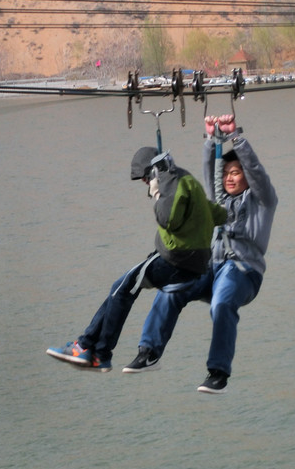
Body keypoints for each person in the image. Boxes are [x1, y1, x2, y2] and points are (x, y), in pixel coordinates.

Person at [124, 114, 277, 393]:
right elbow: (210, 173)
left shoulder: (262, 200)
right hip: (210, 267)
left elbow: (256, 170)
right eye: (227, 173)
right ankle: (149, 351)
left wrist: (235, 138)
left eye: (236, 173)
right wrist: (210, 139)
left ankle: (218, 372)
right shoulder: (218, 199)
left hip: (242, 270)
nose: (230, 178)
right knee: (171, 289)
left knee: (221, 303)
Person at [46, 146, 227, 371]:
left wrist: (161, 192)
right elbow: (216, 213)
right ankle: (86, 346)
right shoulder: (188, 181)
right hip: (191, 263)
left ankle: (99, 354)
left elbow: (167, 219)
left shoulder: (173, 184)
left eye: (145, 178)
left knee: (122, 289)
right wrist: (230, 213)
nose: (145, 185)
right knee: (120, 288)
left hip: (176, 259)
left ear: (153, 172)